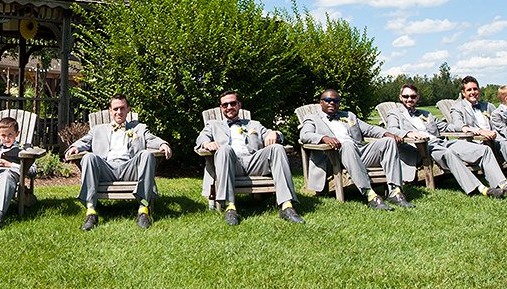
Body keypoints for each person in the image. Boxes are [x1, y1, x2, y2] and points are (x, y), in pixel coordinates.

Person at [384, 84, 507, 199]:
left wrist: (465, 128)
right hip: (422, 148)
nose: (409, 99)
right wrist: (410, 133)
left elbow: (446, 127)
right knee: (448, 153)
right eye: (406, 97)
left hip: (442, 142)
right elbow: (392, 130)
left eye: (412, 96)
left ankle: (504, 185)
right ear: (400, 97)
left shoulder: (426, 113)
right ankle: (481, 189)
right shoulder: (394, 113)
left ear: (417, 98)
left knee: (483, 150)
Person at [195, 90, 304, 225]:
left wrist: (275, 133)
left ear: (239, 105)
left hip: (254, 162)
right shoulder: (213, 125)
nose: (229, 107)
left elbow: (271, 134)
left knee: (277, 148)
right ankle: (230, 208)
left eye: (233, 103)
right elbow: (201, 139)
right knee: (225, 149)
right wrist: (207, 143)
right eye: (225, 105)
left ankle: (287, 206)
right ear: (221, 108)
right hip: (230, 163)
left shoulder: (254, 125)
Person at [64, 94, 172, 230]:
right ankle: (91, 212)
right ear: (110, 111)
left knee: (146, 154)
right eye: (115, 109)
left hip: (130, 168)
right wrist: (74, 147)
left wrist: (162, 144)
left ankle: (143, 208)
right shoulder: (98, 130)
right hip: (106, 169)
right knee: (88, 157)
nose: (119, 112)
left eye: (122, 108)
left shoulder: (139, 128)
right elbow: (84, 141)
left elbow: (151, 139)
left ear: (128, 110)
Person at [299, 89, 413, 211]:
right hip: (334, 158)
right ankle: (370, 194)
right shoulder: (312, 118)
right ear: (321, 102)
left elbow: (370, 129)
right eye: (328, 100)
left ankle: (395, 191)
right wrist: (323, 138)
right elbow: (305, 135)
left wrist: (387, 133)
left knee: (389, 142)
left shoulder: (349, 116)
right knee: (347, 144)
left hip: (359, 153)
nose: (332, 103)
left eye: (335, 101)